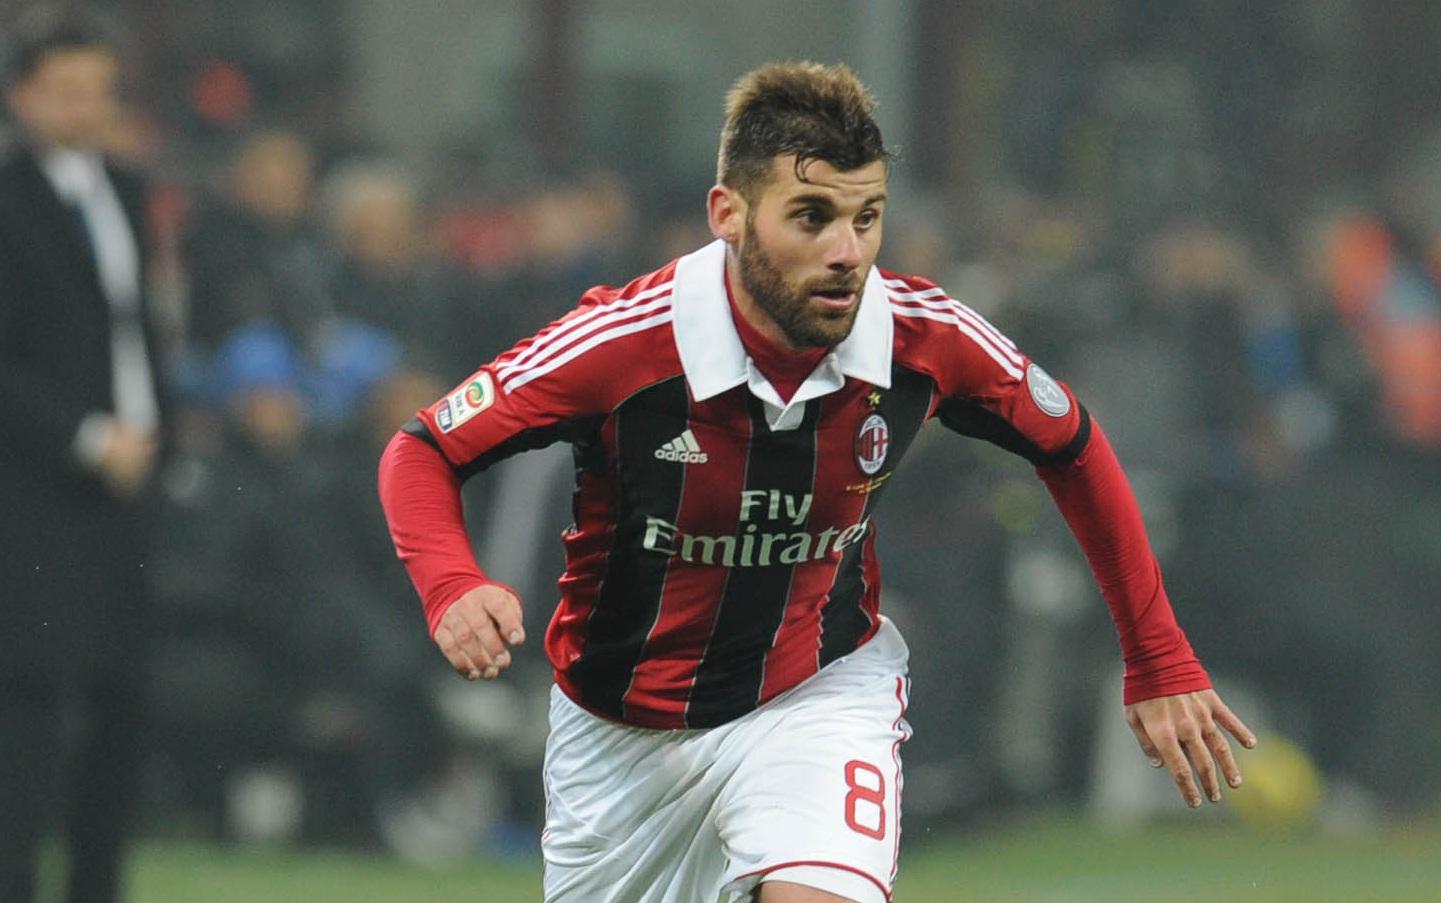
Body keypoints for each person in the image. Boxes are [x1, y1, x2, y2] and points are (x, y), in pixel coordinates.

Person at [378, 62, 1256, 903]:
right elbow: (421, 449)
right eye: (810, 217)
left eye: (866, 217)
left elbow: (1071, 445)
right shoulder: (624, 343)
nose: (846, 252)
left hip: (815, 693)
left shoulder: (922, 336)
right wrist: (450, 581)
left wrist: (1157, 655)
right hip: (621, 736)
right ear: (728, 214)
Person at [0, 9, 165, 903]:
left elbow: (140, 333)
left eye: (97, 91)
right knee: (25, 709)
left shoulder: (129, 194)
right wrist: (89, 435)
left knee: (121, 706)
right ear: (22, 95)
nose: (84, 109)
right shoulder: (8, 201)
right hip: (35, 491)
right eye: (65, 91)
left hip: (129, 494)